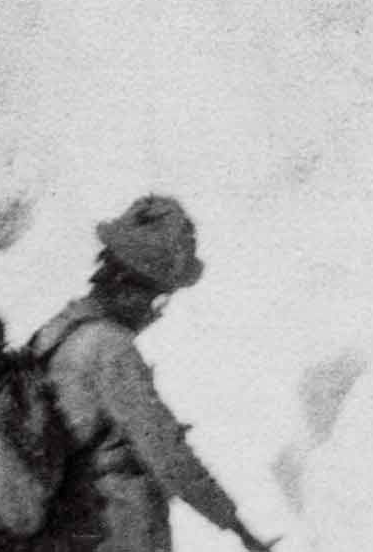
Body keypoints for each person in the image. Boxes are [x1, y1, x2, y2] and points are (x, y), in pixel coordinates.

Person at [29, 195, 279, 552]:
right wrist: (236, 525)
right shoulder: (111, 348)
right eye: (157, 300)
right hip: (112, 529)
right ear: (131, 286)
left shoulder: (57, 331)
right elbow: (168, 456)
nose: (154, 314)